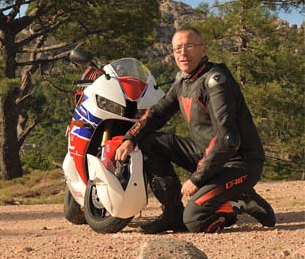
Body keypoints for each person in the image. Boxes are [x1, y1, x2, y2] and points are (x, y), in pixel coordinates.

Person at [114, 27, 275, 233]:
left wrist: (196, 179)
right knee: (149, 141)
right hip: (208, 154)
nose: (183, 53)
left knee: (195, 220)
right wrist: (131, 138)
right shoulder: (183, 80)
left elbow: (228, 139)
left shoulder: (216, 81)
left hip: (239, 161)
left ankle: (239, 202)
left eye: (189, 46)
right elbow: (158, 114)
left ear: (202, 49)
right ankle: (172, 213)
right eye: (177, 48)